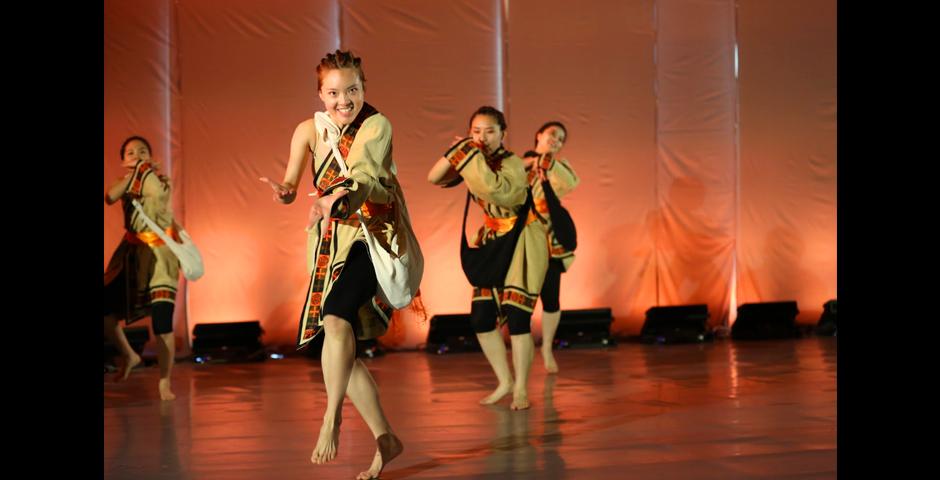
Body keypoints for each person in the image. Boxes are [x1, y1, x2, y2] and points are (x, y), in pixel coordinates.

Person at [260, 50, 413, 479]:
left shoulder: (377, 125)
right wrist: (286, 193)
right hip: (331, 241)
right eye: (333, 92)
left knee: (336, 317)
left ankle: (331, 418)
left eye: (352, 90)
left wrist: (335, 200)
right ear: (320, 93)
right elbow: (292, 182)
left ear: (364, 88)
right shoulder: (308, 130)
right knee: (338, 337)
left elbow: (363, 177)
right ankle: (386, 438)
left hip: (371, 234)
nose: (343, 100)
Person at [428, 106, 549, 411]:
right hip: (494, 240)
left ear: (503, 134)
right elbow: (435, 177)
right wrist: (457, 150)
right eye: (476, 132)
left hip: (522, 241)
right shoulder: (475, 159)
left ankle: (521, 388)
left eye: (489, 131)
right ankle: (504, 381)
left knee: (518, 318)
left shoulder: (511, 163)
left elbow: (497, 193)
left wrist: (468, 156)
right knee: (482, 318)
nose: (482, 137)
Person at [104, 135, 179, 401]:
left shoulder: (160, 181)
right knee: (105, 311)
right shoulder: (123, 183)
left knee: (162, 323)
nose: (136, 154)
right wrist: (136, 171)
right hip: (132, 255)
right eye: (130, 152)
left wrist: (144, 170)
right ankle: (129, 354)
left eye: (142, 150)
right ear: (123, 160)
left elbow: (155, 194)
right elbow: (110, 196)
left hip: (160, 255)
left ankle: (164, 380)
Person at [522, 121, 579, 374]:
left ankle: (546, 346)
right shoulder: (519, 163)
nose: (556, 139)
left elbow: (570, 183)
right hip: (521, 237)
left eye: (561, 139)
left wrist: (547, 163)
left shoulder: (559, 168)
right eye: (553, 134)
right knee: (518, 298)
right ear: (539, 134)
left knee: (551, 297)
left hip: (548, 239)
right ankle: (519, 346)